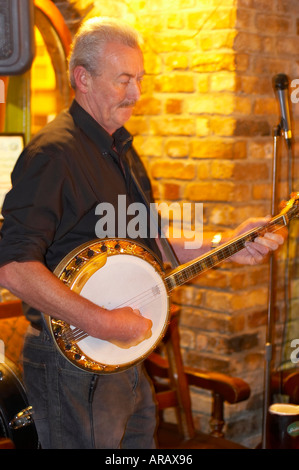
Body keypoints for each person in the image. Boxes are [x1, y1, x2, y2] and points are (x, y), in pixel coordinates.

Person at [0, 17, 285, 449]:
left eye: (139, 79)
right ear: (83, 78)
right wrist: (106, 322)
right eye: (124, 80)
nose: (136, 93)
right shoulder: (53, 154)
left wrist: (228, 244)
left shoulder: (120, 149)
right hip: (72, 365)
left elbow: (150, 241)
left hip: (123, 359)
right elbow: (14, 267)